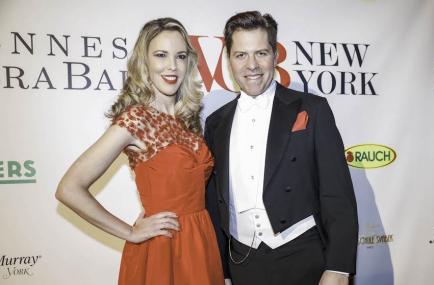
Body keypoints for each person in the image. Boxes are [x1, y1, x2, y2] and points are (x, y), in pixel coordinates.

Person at [56, 17, 224, 285]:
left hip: (201, 241)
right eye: (161, 55)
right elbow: (69, 188)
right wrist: (130, 232)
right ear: (144, 62)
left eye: (180, 56)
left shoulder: (188, 119)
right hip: (164, 247)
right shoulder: (135, 120)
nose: (172, 66)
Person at [204, 11, 358, 285]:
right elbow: (215, 201)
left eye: (261, 53)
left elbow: (337, 194)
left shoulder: (313, 109)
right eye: (241, 55)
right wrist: (223, 272)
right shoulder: (216, 123)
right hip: (242, 262)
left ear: (275, 55)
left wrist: (338, 268)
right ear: (229, 60)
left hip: (304, 258)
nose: (252, 65)